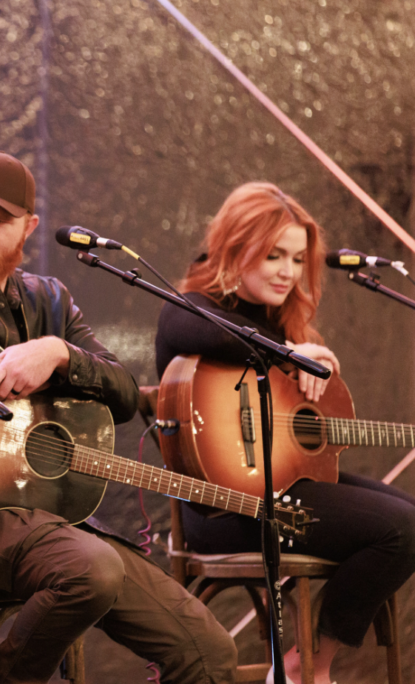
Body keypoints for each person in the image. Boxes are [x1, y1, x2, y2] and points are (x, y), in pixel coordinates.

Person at [0, 152, 238, 684]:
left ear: (28, 229)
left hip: (43, 517)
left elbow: (125, 395)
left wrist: (58, 352)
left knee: (208, 651)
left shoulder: (48, 300)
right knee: (91, 568)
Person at [155, 181, 415, 684]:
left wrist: (294, 357)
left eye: (297, 260)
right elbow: (185, 325)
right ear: (234, 246)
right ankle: (306, 669)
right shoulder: (189, 308)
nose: (288, 272)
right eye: (274, 255)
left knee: (408, 523)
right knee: (399, 530)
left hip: (285, 488)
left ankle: (302, 660)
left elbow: (302, 437)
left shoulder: (283, 321)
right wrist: (287, 355)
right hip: (224, 506)